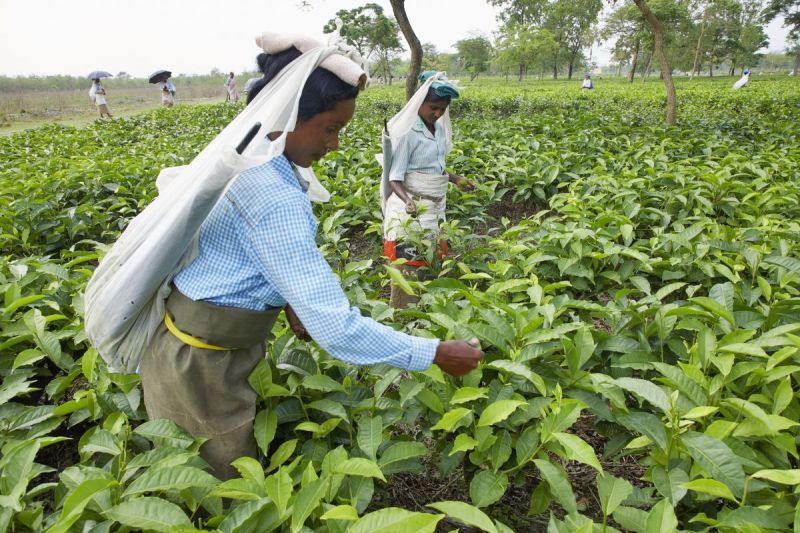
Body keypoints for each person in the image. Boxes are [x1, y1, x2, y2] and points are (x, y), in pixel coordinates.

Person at [138, 36, 484, 481]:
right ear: (286, 118)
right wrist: (434, 352)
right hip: (201, 366)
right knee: (220, 492)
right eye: (329, 128)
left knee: (190, 474)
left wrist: (287, 298)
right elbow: (336, 328)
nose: (335, 145)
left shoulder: (246, 159)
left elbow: (239, 249)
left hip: (185, 345)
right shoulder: (276, 198)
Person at [382, 71, 474, 308]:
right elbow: (395, 178)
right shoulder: (408, 133)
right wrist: (408, 201)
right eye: (433, 107)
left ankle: (428, 310)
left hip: (433, 204)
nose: (438, 113)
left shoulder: (438, 129)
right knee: (408, 262)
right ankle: (404, 313)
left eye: (442, 109)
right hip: (410, 207)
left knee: (431, 258)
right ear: (420, 103)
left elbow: (434, 169)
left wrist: (455, 179)